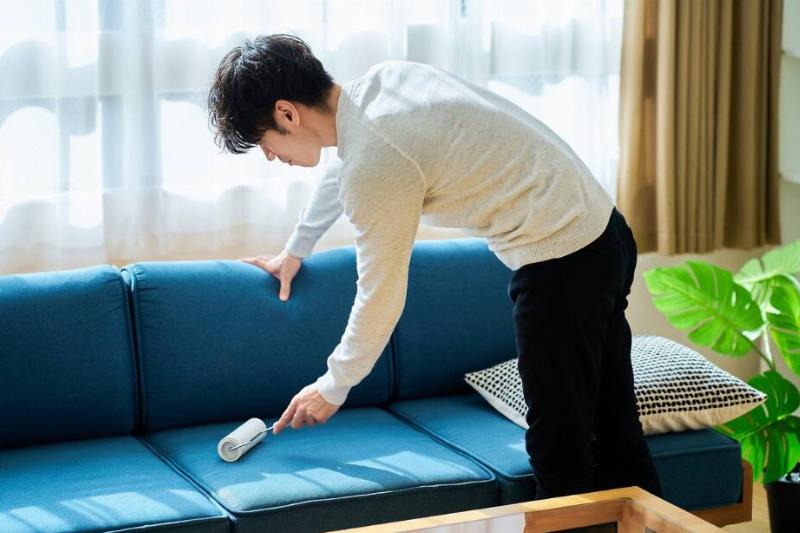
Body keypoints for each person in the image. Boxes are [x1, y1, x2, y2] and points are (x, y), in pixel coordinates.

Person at [207, 33, 663, 505]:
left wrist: (333, 385)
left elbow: (380, 293)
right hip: (604, 233)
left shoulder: (375, 160)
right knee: (613, 425)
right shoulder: (383, 84)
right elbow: (349, 169)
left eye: (263, 141)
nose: (269, 155)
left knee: (559, 451)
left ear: (287, 113)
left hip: (561, 261)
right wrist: (296, 249)